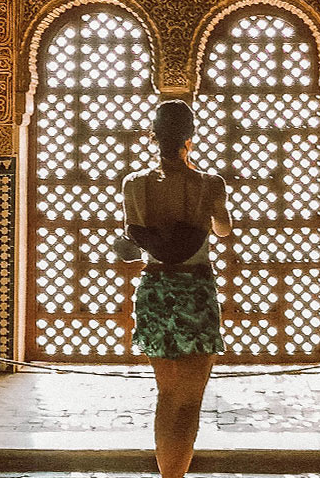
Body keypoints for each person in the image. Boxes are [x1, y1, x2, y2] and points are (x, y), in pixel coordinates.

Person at [120, 100, 233, 478]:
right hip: (195, 291)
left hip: (155, 289)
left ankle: (169, 474)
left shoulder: (134, 184)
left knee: (167, 395)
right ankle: (176, 475)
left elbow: (132, 242)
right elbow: (223, 228)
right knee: (190, 400)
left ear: (153, 136)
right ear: (190, 137)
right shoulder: (209, 183)